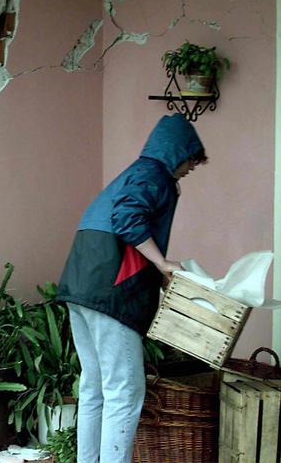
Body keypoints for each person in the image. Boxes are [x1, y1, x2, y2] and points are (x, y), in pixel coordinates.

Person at [57, 113, 207, 463]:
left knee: (94, 386)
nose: (191, 168)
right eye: (191, 159)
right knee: (124, 391)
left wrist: (158, 266)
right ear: (177, 151)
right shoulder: (154, 175)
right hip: (111, 294)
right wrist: (162, 263)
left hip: (80, 286)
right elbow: (127, 218)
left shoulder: (131, 174)